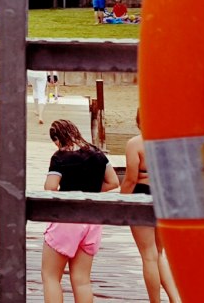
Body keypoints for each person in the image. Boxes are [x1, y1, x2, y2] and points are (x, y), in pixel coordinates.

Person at [42, 119, 118, 303]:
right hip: (92, 220)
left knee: (51, 276)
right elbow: (114, 182)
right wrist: (89, 191)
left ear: (57, 140)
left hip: (67, 219)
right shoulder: (98, 154)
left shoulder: (60, 157)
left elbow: (50, 188)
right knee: (82, 280)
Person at [123, 111, 183, 303]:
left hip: (143, 196)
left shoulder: (135, 144)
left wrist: (121, 203)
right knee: (158, 253)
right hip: (165, 198)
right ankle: (175, 299)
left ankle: (155, 302)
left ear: (139, 121)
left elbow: (131, 178)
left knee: (148, 255)